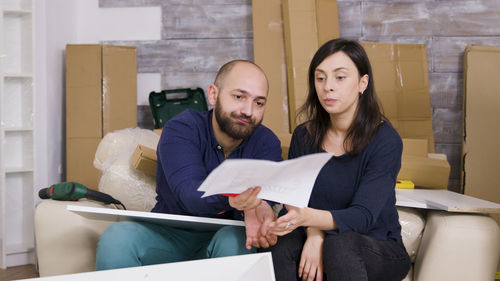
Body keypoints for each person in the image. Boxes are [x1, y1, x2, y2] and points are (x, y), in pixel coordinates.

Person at [95, 60, 281, 270]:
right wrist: (238, 199)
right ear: (213, 94)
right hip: (168, 234)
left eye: (259, 103)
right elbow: (190, 194)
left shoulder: (266, 143)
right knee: (117, 238)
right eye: (239, 97)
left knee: (235, 239)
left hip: (225, 235)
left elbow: (274, 193)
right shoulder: (181, 129)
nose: (248, 110)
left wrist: (262, 205)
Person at [268, 38, 412, 281]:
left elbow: (362, 216)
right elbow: (296, 200)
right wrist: (315, 235)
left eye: (340, 77)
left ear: (362, 83)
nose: (328, 87)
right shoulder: (304, 136)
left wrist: (313, 225)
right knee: (281, 243)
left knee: (340, 246)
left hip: (376, 245)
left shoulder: (385, 140)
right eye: (320, 78)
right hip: (319, 231)